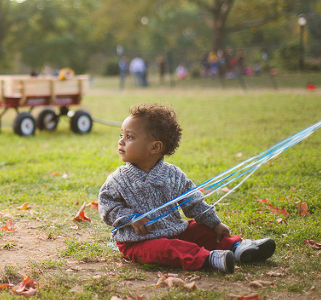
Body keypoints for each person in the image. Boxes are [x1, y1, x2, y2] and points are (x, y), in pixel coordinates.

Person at [98, 103, 276, 274]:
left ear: (155, 147)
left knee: (199, 230)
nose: (121, 142)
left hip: (175, 230)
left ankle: (237, 248)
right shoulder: (118, 179)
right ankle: (209, 259)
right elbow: (107, 206)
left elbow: (194, 202)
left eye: (129, 137)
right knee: (164, 249)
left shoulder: (173, 175)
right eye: (121, 135)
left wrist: (214, 223)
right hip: (136, 242)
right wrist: (129, 218)